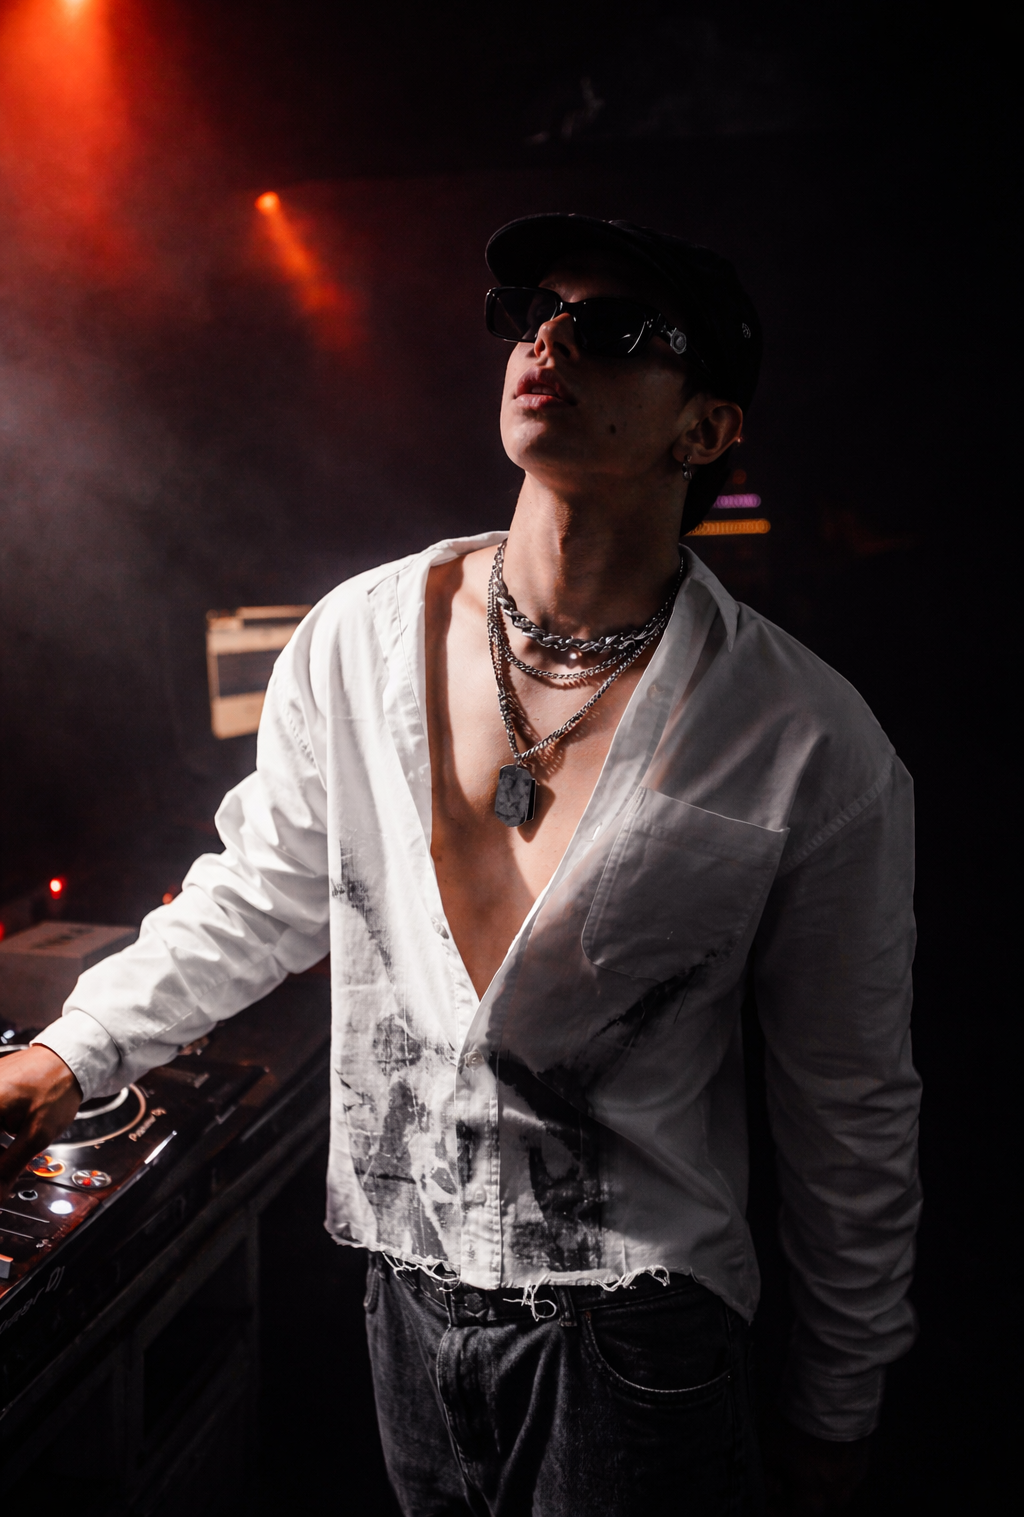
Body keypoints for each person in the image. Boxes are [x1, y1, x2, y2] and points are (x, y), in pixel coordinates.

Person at [0, 215, 921, 1515]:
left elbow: (850, 1101)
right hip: (405, 1303)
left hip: (638, 1340)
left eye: (613, 331)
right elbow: (262, 893)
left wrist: (838, 1396)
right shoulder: (356, 638)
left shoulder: (809, 740)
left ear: (706, 429)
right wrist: (71, 1051)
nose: (551, 342)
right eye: (536, 314)